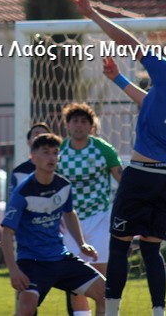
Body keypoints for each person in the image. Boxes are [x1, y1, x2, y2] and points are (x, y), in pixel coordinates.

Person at [67, 0, 166, 316]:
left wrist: (92, 14)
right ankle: (159, 312)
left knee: (119, 247)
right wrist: (118, 79)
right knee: (151, 251)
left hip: (142, 175)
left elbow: (129, 42)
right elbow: (150, 102)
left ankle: (112, 313)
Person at [0, 132, 106, 316]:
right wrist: (14, 271)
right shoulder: (23, 192)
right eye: (46, 152)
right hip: (33, 262)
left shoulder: (63, 185)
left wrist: (82, 244)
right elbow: (6, 233)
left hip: (61, 258)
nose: (51, 157)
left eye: (55, 153)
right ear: (33, 157)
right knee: (26, 309)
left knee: (106, 294)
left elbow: (69, 213)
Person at [58, 102, 122, 316]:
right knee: (76, 282)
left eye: (84, 121)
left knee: (102, 280)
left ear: (91, 126)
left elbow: (122, 181)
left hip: (100, 218)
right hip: (69, 222)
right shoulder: (59, 151)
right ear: (67, 125)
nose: (79, 125)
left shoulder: (104, 149)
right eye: (75, 121)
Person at [9, 122, 52, 197]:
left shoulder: (57, 171)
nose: (40, 138)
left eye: (44, 135)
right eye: (36, 134)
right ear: (28, 142)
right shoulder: (18, 172)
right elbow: (13, 200)